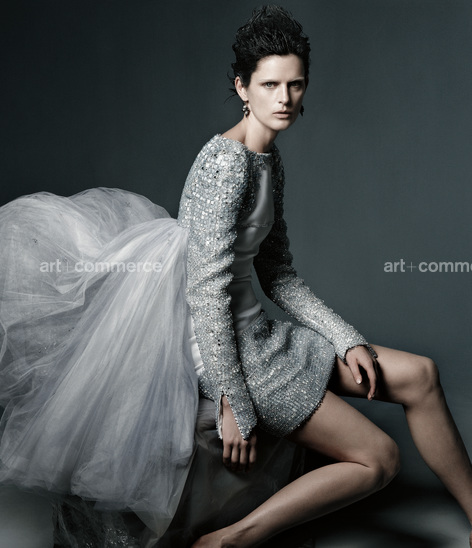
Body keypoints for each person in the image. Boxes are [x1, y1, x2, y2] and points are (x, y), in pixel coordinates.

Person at [0, 5, 470, 548]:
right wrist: (233, 400)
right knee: (379, 458)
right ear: (243, 88)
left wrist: (346, 339)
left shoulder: (266, 159)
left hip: (261, 337)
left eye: (295, 84)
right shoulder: (226, 165)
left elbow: (277, 272)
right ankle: (230, 541)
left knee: (421, 375)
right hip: (230, 354)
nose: (284, 98)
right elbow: (204, 294)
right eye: (270, 85)